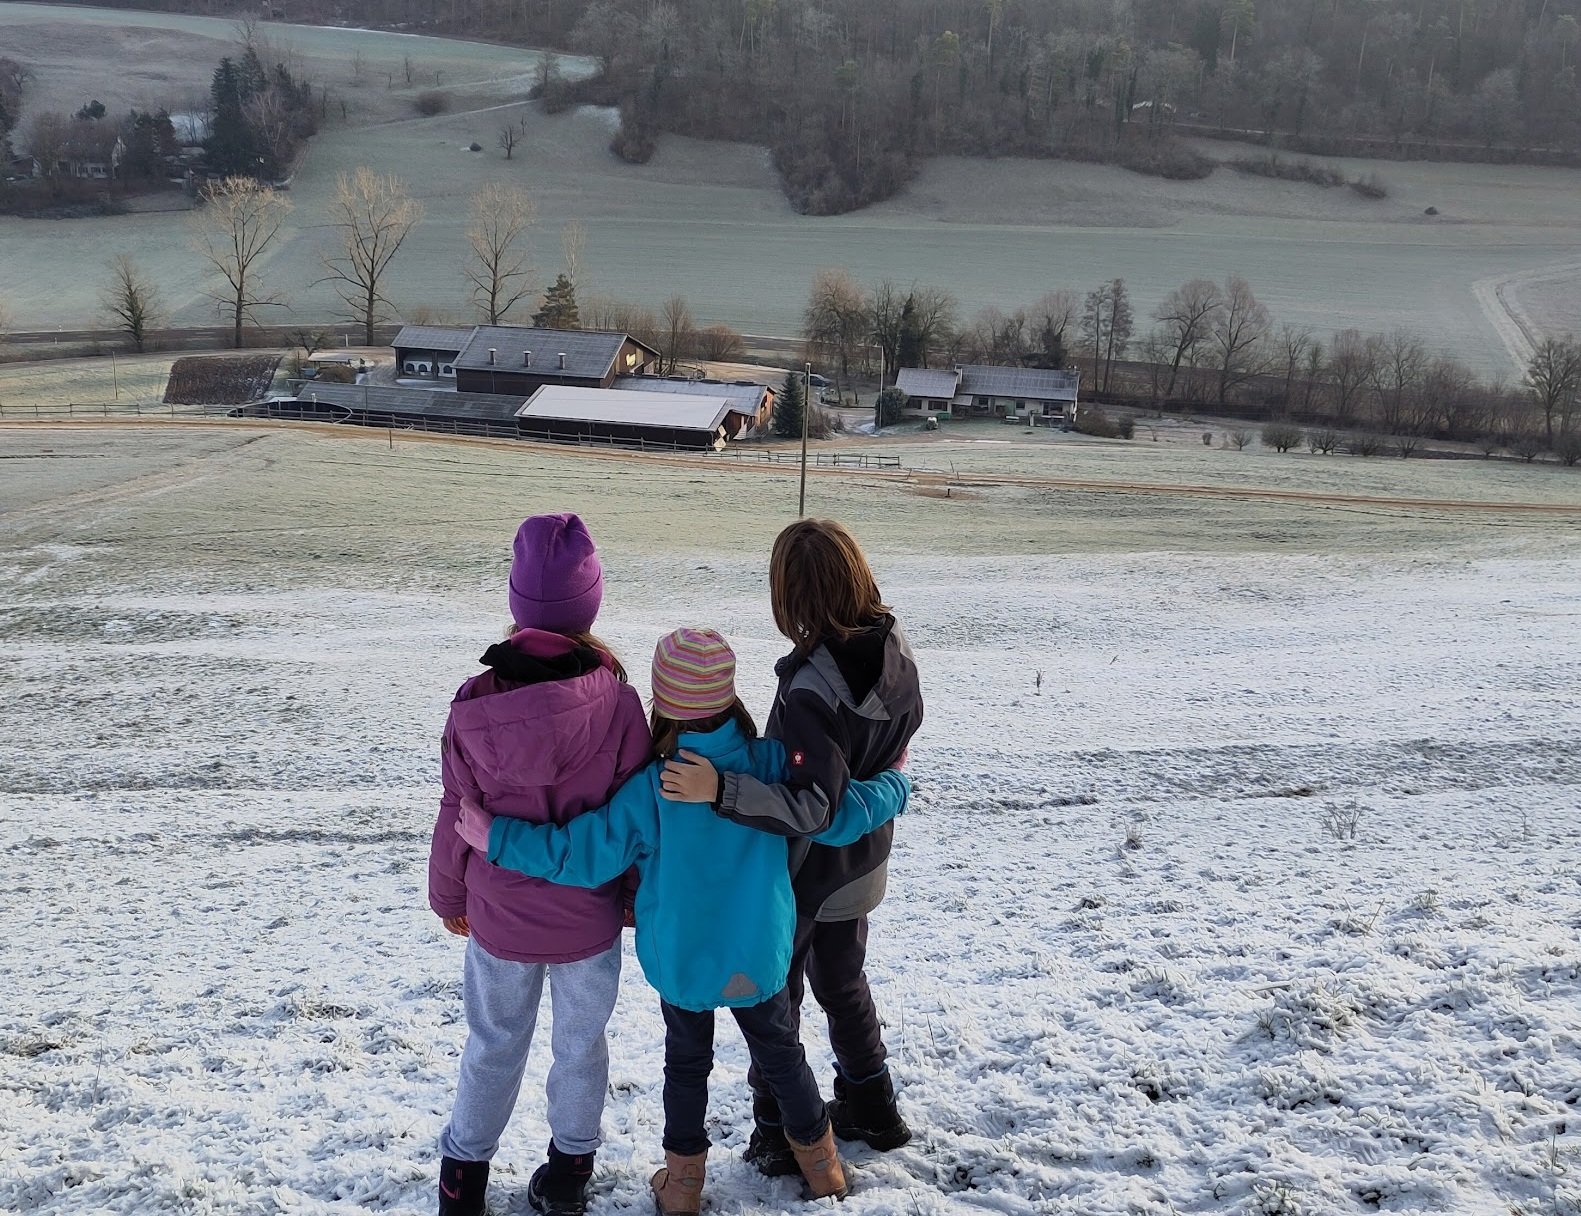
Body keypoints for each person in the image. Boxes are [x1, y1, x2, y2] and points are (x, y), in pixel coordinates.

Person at [453, 627, 911, 1215]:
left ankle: (683, 1187)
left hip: (683, 960)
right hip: (758, 953)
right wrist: (895, 783)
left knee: (687, 1066)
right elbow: (838, 815)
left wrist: (497, 838)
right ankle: (824, 1169)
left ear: (661, 704)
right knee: (782, 1055)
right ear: (731, 695)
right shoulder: (771, 764)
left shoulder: (655, 786)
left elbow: (581, 851)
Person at [660, 518, 923, 1176]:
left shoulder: (812, 691)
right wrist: (892, 785)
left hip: (811, 874)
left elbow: (815, 809)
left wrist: (723, 789)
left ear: (792, 597)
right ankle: (873, 1105)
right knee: (844, 980)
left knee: (778, 996)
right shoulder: (895, 649)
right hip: (866, 862)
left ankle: (777, 1129)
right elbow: (891, 752)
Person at [428, 513, 651, 1216]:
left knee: (493, 1044)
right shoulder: (619, 702)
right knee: (580, 1046)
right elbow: (634, 817)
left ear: (517, 599)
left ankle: (462, 1179)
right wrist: (633, 896)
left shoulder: (474, 703)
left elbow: (455, 808)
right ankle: (568, 1176)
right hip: (588, 915)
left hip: (500, 916)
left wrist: (448, 896)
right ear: (590, 603)